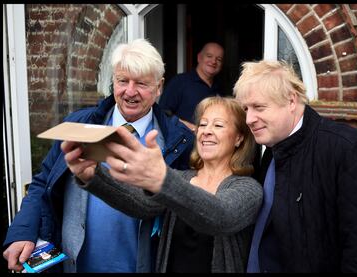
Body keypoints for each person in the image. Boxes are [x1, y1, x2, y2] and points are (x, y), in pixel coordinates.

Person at [2, 38, 194, 273]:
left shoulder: (178, 140)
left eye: (141, 83)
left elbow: (188, 208)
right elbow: (43, 183)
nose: (130, 92)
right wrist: (23, 232)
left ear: (159, 87)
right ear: (113, 81)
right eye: (123, 81)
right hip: (76, 266)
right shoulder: (78, 124)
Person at [233, 60, 357, 272]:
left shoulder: (350, 151)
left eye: (259, 107)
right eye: (246, 109)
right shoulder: (272, 152)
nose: (249, 119)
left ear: (291, 101)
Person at [61, 96, 263, 273]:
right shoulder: (182, 178)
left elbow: (221, 216)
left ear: (239, 138)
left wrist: (162, 179)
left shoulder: (248, 189)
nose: (206, 132)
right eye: (202, 124)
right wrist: (93, 175)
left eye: (218, 125)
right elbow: (142, 204)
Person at [159, 42, 224, 131]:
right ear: (199, 57)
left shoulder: (220, 88)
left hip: (210, 142)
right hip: (182, 142)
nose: (213, 61)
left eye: (219, 59)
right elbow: (162, 113)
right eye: (209, 56)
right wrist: (192, 128)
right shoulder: (179, 82)